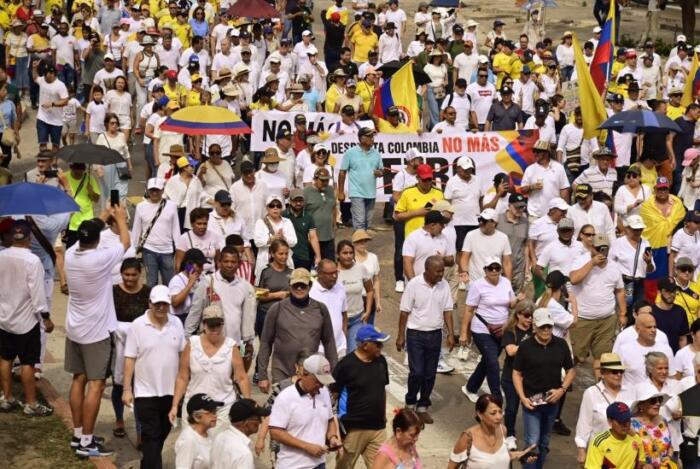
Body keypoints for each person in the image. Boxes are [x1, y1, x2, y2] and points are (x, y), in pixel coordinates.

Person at [65, 206, 129, 457]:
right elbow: (125, 241)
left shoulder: (72, 254)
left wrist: (102, 216)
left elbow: (90, 232)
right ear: (98, 238)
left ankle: (79, 434)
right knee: (97, 384)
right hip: (96, 332)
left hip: (75, 328)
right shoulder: (100, 259)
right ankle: (87, 444)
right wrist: (121, 219)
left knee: (78, 379)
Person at [122, 285, 185, 469]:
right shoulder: (137, 325)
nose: (161, 308)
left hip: (170, 392)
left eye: (164, 304)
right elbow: (130, 358)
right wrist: (127, 389)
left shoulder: (176, 324)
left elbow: (183, 355)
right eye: (157, 304)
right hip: (145, 392)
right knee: (151, 435)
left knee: (162, 433)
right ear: (149, 303)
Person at [171, 304, 250, 437]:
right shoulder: (192, 345)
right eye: (210, 325)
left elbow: (241, 378)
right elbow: (182, 377)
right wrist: (174, 405)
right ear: (203, 325)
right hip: (195, 409)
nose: (214, 329)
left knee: (218, 451)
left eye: (218, 325)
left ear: (222, 324)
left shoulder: (231, 347)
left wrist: (248, 406)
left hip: (223, 408)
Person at [0, 221, 53, 416]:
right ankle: (31, 403)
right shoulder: (33, 261)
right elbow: (37, 294)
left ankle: (7, 397)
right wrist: (46, 317)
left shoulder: (1, 256)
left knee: (5, 358)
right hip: (26, 321)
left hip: (4, 318)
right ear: (29, 239)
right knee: (28, 362)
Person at [256, 268, 338, 394]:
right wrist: (262, 375)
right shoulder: (277, 308)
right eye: (295, 285)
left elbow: (329, 342)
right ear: (290, 286)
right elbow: (266, 342)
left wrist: (333, 373)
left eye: (303, 285)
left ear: (310, 286)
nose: (299, 288)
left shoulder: (320, 309)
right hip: (281, 371)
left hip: (310, 374)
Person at [513, 308, 575, 469]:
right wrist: (522, 397)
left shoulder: (561, 345)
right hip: (531, 404)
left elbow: (571, 371)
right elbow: (516, 373)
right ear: (534, 326)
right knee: (532, 442)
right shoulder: (525, 346)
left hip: (552, 403)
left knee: (544, 441)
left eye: (549, 326)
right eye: (542, 327)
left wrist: (561, 390)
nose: (546, 330)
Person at [397, 256, 455, 424]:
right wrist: (401, 335)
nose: (441, 274)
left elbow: (448, 310)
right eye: (438, 271)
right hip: (415, 334)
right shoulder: (414, 285)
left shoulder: (443, 285)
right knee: (417, 372)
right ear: (427, 270)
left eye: (442, 271)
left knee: (430, 374)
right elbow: (404, 312)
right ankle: (409, 403)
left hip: (435, 334)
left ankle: (423, 406)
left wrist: (450, 334)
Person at [460, 256, 519, 402]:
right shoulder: (477, 285)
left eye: (497, 268)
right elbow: (469, 309)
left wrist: (518, 299)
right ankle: (496, 399)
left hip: (502, 329)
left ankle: (470, 387)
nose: (494, 271)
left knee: (487, 361)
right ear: (485, 270)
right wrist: (463, 333)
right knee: (493, 363)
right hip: (482, 329)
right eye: (490, 268)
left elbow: (511, 304)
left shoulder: (505, 282)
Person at [332, 324, 390, 468]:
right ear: (365, 345)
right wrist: (336, 429)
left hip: (378, 428)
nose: (380, 347)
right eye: (377, 344)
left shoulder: (381, 362)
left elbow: (382, 390)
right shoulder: (346, 365)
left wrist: (383, 416)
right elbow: (333, 396)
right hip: (353, 428)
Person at [269, 353, 341, 468]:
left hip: (319, 464)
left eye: (323, 382)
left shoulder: (325, 393)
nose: (321, 386)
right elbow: (275, 432)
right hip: (292, 465)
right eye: (317, 381)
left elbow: (330, 419)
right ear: (304, 374)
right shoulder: (285, 397)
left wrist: (332, 437)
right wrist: (306, 447)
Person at [185, 248, 256, 365]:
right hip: (212, 344)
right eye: (226, 261)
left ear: (238, 264)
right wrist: (187, 338)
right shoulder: (207, 283)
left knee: (235, 381)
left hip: (235, 346)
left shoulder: (245, 287)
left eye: (233, 262)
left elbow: (248, 317)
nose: (229, 265)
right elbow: (195, 313)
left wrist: (249, 342)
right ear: (219, 262)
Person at [569, 233, 626, 377]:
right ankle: (565, 379)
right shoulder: (580, 260)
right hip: (582, 318)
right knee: (577, 356)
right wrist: (591, 263)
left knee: (601, 357)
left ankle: (600, 389)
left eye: (604, 249)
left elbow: (619, 290)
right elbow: (574, 279)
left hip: (606, 319)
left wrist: (623, 313)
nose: (601, 252)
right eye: (598, 248)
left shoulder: (614, 267)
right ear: (592, 248)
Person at [111, 258, 150, 439]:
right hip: (118, 342)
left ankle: (140, 429)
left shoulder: (147, 292)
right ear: (121, 274)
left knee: (140, 386)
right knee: (120, 384)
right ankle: (119, 419)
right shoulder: (113, 292)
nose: (130, 278)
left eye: (134, 274)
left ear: (139, 274)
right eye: (126, 274)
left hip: (142, 342)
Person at [575, 353, 636, 464]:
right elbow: (584, 424)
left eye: (621, 372)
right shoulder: (591, 393)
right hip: (600, 453)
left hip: (626, 453)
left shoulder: (631, 391)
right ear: (603, 373)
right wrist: (581, 450)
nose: (618, 375)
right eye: (614, 372)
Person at [448, 394, 537, 468]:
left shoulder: (503, 430)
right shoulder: (467, 438)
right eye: (493, 413)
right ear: (480, 414)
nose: (499, 417)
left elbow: (497, 458)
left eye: (500, 412)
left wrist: (519, 455)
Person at [131, 177, 180, 287]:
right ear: (147, 190)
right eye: (152, 190)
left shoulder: (172, 206)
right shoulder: (140, 207)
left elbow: (176, 229)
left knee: (169, 282)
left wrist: (178, 249)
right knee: (151, 283)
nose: (154, 192)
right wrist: (133, 250)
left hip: (167, 250)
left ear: (162, 190)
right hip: (148, 250)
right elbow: (136, 230)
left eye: (157, 190)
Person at [499, 300, 534, 449]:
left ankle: (532, 436)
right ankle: (510, 435)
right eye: (526, 315)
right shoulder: (510, 331)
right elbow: (511, 350)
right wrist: (530, 345)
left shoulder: (535, 330)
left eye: (532, 316)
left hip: (530, 376)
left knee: (532, 407)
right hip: (510, 376)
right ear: (518, 315)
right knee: (512, 407)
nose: (530, 319)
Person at [338, 127, 384, 230]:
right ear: (362, 138)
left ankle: (360, 245)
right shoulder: (350, 153)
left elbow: (381, 170)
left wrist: (379, 173)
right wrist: (340, 192)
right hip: (356, 193)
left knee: (367, 222)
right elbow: (342, 172)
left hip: (371, 193)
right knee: (359, 222)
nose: (372, 139)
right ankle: (359, 245)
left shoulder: (376, 154)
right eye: (370, 136)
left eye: (373, 136)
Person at [609, 214, 655, 316]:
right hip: (624, 282)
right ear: (627, 229)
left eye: (640, 229)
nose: (638, 232)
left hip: (639, 283)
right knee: (625, 310)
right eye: (635, 229)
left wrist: (648, 262)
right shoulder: (619, 243)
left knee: (639, 310)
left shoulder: (645, 243)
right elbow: (610, 263)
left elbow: (651, 269)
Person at [583, 401, 648, 469]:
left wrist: (645, 466)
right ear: (610, 422)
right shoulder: (599, 442)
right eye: (621, 421)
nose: (626, 425)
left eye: (628, 420)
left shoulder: (636, 439)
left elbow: (641, 462)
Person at [618, 313, 676, 386]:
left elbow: (672, 376)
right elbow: (616, 376)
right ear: (638, 329)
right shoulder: (624, 350)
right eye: (649, 327)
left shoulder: (666, 349)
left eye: (655, 327)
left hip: (660, 395)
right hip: (634, 395)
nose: (653, 330)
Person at [211, 398, 270, 469]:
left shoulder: (220, 437)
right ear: (246, 422)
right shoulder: (243, 454)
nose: (260, 422)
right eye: (258, 419)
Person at [338, 239, 374, 353]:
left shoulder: (360, 268)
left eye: (350, 253)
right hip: (338, 320)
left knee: (353, 352)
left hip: (357, 319)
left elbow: (370, 290)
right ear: (338, 255)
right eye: (344, 253)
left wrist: (367, 311)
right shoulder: (333, 271)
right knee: (339, 354)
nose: (348, 256)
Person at [459, 209, 513, 285]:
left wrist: (508, 284)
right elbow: (464, 257)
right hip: (474, 283)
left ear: (494, 223)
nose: (481, 223)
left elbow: (507, 263)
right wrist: (465, 272)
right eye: (479, 219)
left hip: (495, 284)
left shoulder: (503, 238)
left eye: (484, 221)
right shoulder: (470, 235)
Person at [520, 140, 570, 220]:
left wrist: (566, 210)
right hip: (535, 215)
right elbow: (522, 190)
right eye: (534, 151)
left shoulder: (558, 167)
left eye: (538, 151)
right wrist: (531, 187)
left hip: (555, 214)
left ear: (546, 153)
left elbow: (564, 190)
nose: (535, 154)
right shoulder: (530, 169)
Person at [631, 382, 675, 468]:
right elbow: (629, 453)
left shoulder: (663, 421)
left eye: (659, 400)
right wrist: (643, 465)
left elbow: (670, 446)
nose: (658, 403)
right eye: (653, 401)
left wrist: (668, 457)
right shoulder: (632, 425)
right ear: (641, 405)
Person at [174, 393, 222, 469]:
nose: (215, 415)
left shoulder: (209, 433)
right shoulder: (188, 440)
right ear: (197, 417)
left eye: (215, 411)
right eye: (211, 412)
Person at [284, 188, 321, 270]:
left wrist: (318, 256)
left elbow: (313, 237)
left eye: (300, 200)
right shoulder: (283, 215)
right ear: (289, 201)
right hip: (286, 256)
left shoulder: (308, 217)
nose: (298, 203)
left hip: (303, 255)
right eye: (295, 200)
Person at [303, 167, 336, 261]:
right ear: (315, 179)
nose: (325, 183)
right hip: (312, 238)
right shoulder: (306, 192)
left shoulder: (330, 190)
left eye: (327, 180)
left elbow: (333, 208)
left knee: (330, 263)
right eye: (322, 180)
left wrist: (334, 226)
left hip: (328, 236)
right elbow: (302, 212)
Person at [652, 278, 690, 354]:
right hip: (655, 357)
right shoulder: (651, 311)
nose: (672, 294)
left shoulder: (680, 311)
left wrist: (682, 357)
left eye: (673, 291)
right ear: (659, 292)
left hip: (675, 357)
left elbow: (682, 338)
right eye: (667, 291)